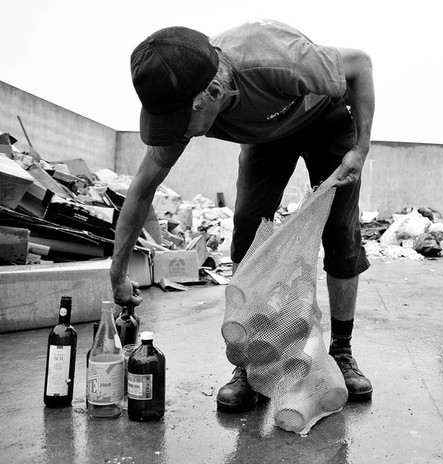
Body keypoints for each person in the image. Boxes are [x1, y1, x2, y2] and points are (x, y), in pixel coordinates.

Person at [109, 20, 375, 413]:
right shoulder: (180, 99)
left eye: (181, 123)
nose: (177, 134)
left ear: (213, 94)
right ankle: (250, 363)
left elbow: (360, 65)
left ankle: (341, 350)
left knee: (338, 230)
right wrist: (117, 272)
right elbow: (143, 188)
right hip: (265, 134)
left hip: (324, 116)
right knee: (248, 229)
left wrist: (362, 147)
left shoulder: (276, 62)